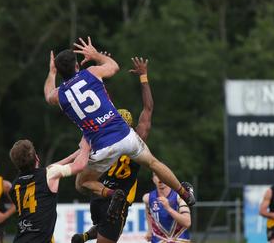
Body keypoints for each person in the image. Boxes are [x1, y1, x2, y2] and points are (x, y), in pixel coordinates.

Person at [43, 37, 195, 210]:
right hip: (125, 134)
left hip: (102, 146)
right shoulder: (92, 72)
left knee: (82, 183)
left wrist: (52, 73)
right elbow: (114, 66)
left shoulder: (58, 95)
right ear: (77, 65)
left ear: (60, 72)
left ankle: (113, 194)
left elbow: (48, 95)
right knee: (154, 163)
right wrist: (95, 54)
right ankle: (184, 194)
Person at [72, 56, 154, 243]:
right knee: (109, 235)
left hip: (98, 193)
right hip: (120, 199)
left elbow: (98, 103)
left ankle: (85, 236)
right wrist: (144, 77)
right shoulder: (136, 140)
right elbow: (148, 109)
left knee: (103, 228)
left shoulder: (102, 136)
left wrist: (99, 70)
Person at [8, 138, 90, 243]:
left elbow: (50, 170)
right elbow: (79, 166)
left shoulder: (14, 186)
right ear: (37, 158)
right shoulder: (49, 175)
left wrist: (73, 156)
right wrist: (87, 145)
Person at [143, 173, 191, 242]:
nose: (160, 178)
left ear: (169, 178)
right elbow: (148, 211)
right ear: (153, 179)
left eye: (163, 175)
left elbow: (187, 222)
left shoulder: (180, 197)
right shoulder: (148, 198)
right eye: (156, 175)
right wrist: (149, 230)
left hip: (180, 240)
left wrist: (168, 208)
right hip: (158, 240)